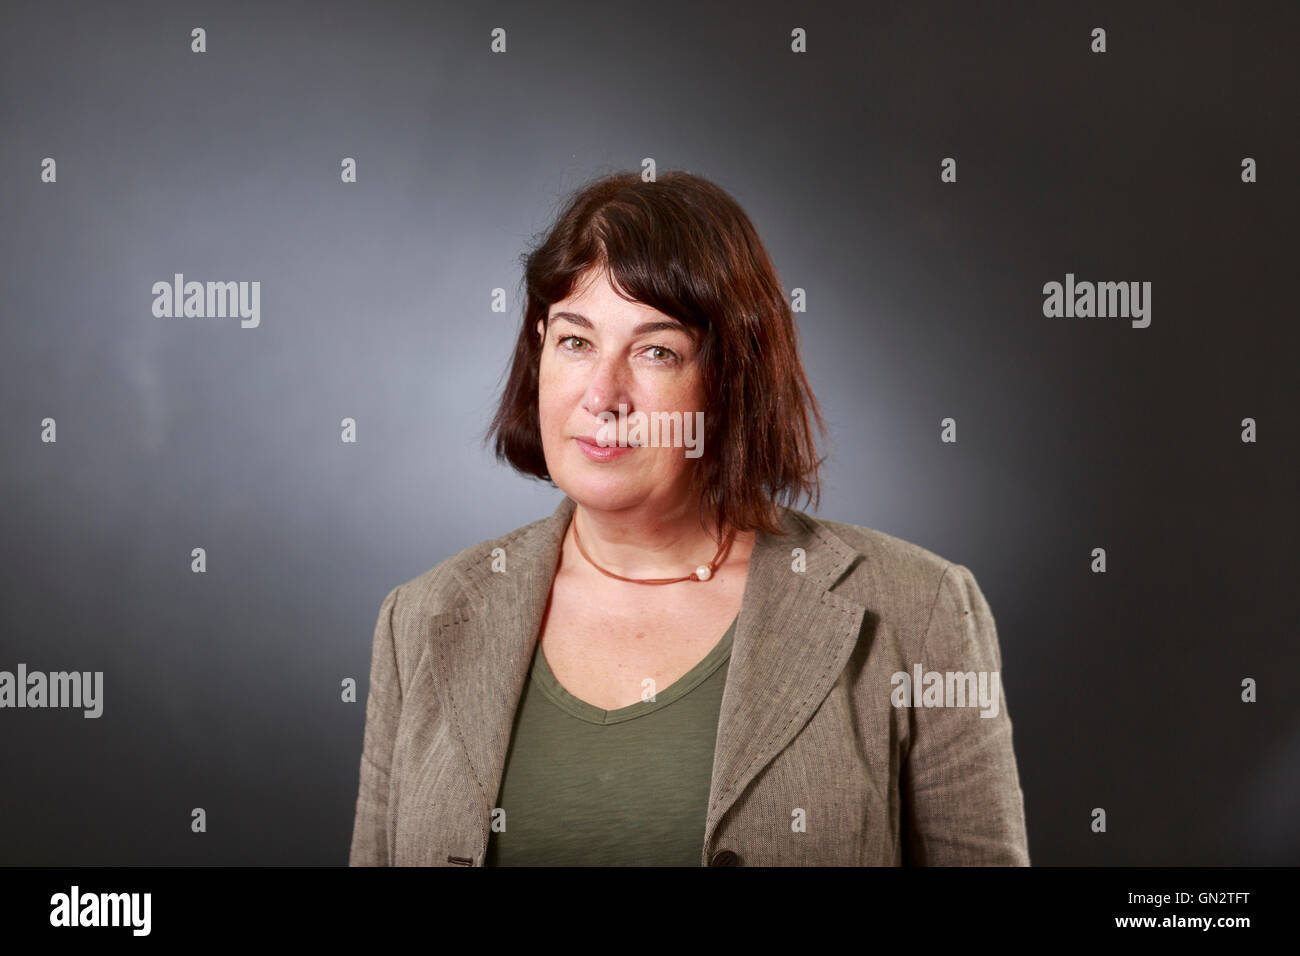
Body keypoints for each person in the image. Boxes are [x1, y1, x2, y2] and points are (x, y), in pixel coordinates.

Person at [348, 170, 1030, 866]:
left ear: (733, 380)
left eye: (656, 351)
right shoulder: (420, 620)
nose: (603, 395)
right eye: (576, 342)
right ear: (539, 348)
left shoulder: (920, 611)